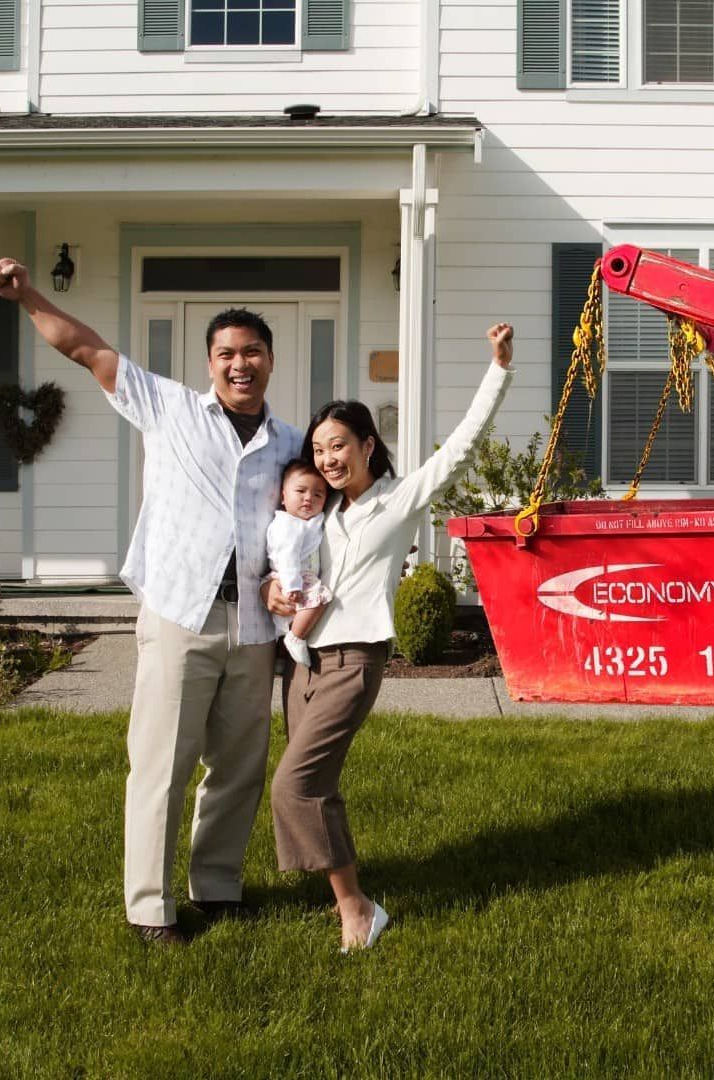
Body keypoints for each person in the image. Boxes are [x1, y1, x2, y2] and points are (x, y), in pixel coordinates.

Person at [0, 258, 303, 946]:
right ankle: (150, 908)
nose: (239, 363)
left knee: (239, 765)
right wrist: (26, 295)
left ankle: (217, 888)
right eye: (226, 353)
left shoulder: (291, 444)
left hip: (253, 625)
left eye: (251, 351)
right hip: (179, 613)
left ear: (271, 361)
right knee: (161, 763)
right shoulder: (168, 407)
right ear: (210, 363)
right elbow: (86, 348)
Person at [262, 322, 514, 952]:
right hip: (305, 663)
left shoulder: (398, 499)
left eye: (339, 445)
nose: (327, 459)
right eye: (318, 449)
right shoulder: (319, 511)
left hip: (356, 658)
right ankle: (344, 900)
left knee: (295, 783)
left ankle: (357, 909)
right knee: (317, 784)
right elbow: (293, 564)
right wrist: (273, 585)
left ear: (368, 446)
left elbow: (459, 447)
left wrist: (498, 369)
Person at [266, 459, 332, 667]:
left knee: (300, 612)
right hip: (290, 577)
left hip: (301, 577)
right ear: (283, 496)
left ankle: (283, 653)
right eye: (300, 491)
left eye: (317, 494)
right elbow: (287, 557)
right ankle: (295, 638)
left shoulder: (311, 521)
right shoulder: (287, 524)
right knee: (320, 598)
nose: (308, 498)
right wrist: (292, 584)